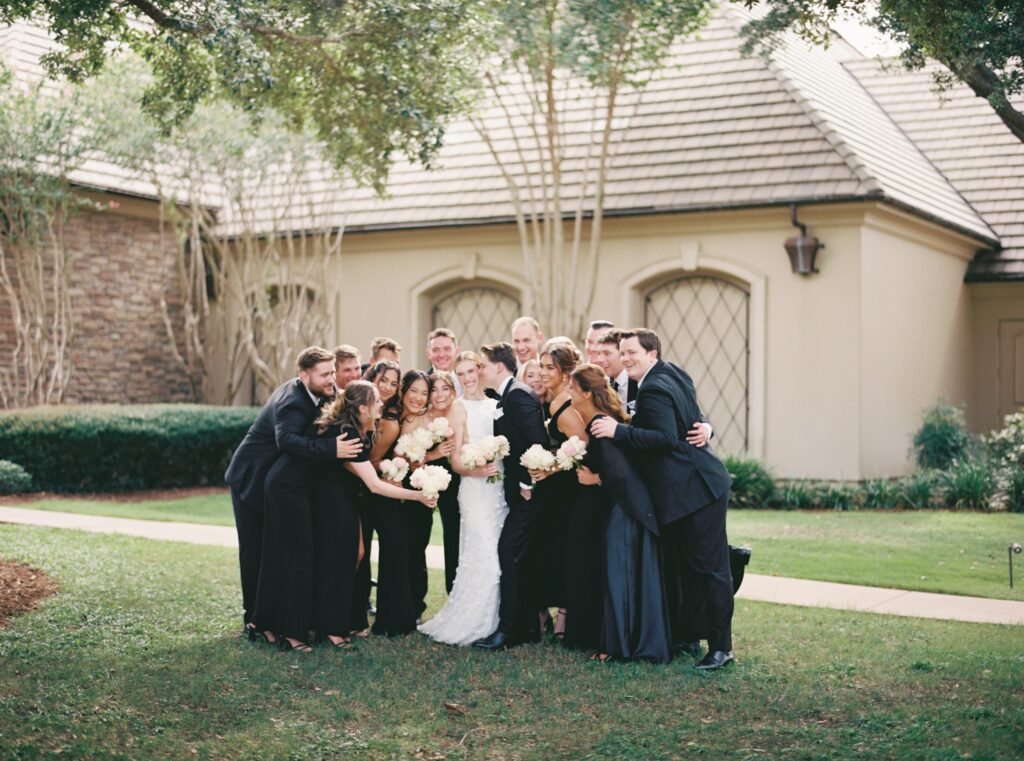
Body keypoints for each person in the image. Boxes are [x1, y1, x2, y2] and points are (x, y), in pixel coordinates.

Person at [590, 329, 735, 671]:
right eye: (622, 353)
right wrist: (705, 426)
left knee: (711, 570)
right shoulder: (673, 371)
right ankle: (688, 635)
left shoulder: (653, 386)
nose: (626, 358)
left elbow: (666, 438)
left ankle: (721, 648)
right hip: (692, 487)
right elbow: (689, 417)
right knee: (690, 568)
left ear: (651, 353)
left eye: (632, 353)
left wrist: (618, 432)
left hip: (696, 491)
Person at [224, 346, 362, 642]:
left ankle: (274, 619)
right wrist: (332, 449)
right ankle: (255, 622)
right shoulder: (292, 401)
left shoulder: (324, 392)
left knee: (277, 551)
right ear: (304, 376)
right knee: (256, 552)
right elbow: (286, 440)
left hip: (281, 485)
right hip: (251, 479)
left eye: (332, 372)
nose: (332, 379)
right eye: (324, 374)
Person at [310, 381, 438, 650]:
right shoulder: (348, 434)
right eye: (377, 400)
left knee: (354, 555)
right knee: (341, 559)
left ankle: (334, 623)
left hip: (344, 497)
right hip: (331, 500)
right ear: (361, 407)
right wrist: (419, 496)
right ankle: (332, 628)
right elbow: (374, 484)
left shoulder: (355, 428)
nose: (382, 403)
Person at [569, 364, 671, 664]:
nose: (569, 393)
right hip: (623, 509)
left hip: (625, 512)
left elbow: (622, 475)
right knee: (620, 577)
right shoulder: (603, 420)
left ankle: (619, 647)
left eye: (573, 389)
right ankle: (622, 643)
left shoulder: (601, 424)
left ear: (587, 393)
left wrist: (594, 479)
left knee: (620, 577)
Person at [418, 352, 508, 645]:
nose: (468, 378)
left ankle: (499, 620)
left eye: (471, 371)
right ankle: (475, 622)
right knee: (483, 555)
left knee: (497, 552)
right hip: (474, 489)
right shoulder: (458, 407)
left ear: (481, 371)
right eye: (462, 373)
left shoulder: (496, 404)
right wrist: (477, 468)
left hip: (497, 490)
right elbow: (456, 461)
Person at [472, 342, 550, 651]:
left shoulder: (517, 395)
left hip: (530, 493)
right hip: (519, 491)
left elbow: (536, 442)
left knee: (509, 551)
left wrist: (528, 484)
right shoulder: (507, 394)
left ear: (499, 367)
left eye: (483, 365)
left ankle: (508, 630)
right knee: (520, 556)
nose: (480, 370)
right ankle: (528, 627)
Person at [525, 342, 585, 639]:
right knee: (546, 550)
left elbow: (583, 445)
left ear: (565, 373)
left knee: (562, 551)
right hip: (553, 490)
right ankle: (544, 613)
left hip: (566, 491)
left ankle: (563, 617)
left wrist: (551, 468)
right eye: (542, 366)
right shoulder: (552, 399)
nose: (544, 372)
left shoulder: (565, 406)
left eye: (551, 368)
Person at [372, 370, 438, 636]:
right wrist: (391, 472)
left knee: (412, 554)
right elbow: (372, 460)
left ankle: (410, 613)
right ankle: (393, 620)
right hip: (391, 494)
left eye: (424, 393)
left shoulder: (424, 419)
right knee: (395, 555)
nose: (419, 398)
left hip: (415, 494)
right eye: (414, 391)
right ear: (404, 391)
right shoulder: (391, 421)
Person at [348, 359, 402, 635]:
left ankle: (361, 618)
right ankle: (354, 618)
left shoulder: (388, 417)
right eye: (384, 381)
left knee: (364, 551)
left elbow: (373, 460)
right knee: (357, 552)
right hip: (356, 487)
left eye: (395, 383)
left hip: (369, 489)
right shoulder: (359, 413)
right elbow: (368, 460)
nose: (389, 388)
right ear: (372, 379)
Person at [426, 371, 462, 594]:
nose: (439, 395)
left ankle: (455, 591)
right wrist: (433, 454)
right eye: (434, 389)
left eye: (445, 388)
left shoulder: (459, 412)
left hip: (457, 481)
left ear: (453, 391)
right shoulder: (422, 416)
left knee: (454, 535)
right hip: (423, 480)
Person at [592, 328, 634, 410]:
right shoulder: (605, 384)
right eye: (599, 353)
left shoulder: (639, 383)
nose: (599, 359)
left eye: (607, 353)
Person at [426, 327, 463, 397]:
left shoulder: (468, 380)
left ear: (457, 351)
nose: (441, 355)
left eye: (447, 349)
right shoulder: (423, 383)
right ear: (428, 354)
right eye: (435, 350)